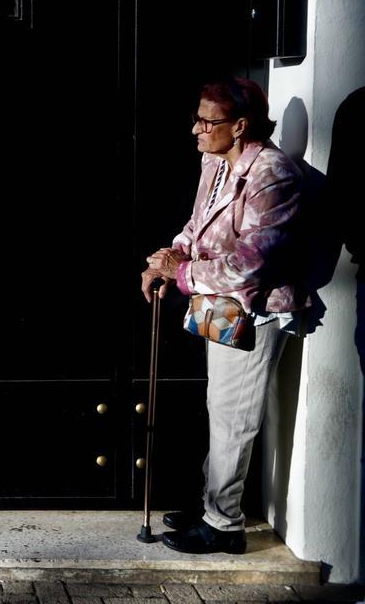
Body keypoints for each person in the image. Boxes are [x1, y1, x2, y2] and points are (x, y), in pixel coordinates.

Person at [140, 77, 309, 555]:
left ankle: (224, 526)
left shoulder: (272, 174)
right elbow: (197, 225)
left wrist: (184, 272)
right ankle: (212, 502)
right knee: (221, 407)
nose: (196, 128)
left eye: (206, 121)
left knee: (236, 416)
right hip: (219, 305)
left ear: (239, 126)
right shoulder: (214, 161)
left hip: (254, 309)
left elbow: (254, 261)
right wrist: (169, 256)